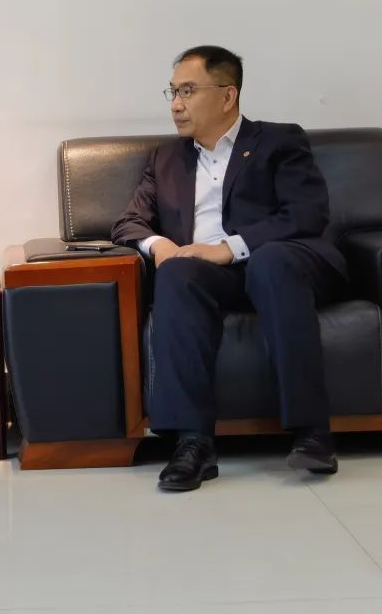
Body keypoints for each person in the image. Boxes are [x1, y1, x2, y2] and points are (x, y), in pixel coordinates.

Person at [111, 46, 348, 492]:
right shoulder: (165, 158)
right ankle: (192, 443)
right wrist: (161, 246)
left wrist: (229, 248)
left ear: (227, 95)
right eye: (172, 92)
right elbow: (128, 222)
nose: (175, 104)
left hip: (286, 265)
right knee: (176, 272)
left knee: (269, 263)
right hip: (212, 277)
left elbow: (306, 214)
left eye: (187, 91)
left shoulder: (279, 141)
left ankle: (312, 432)